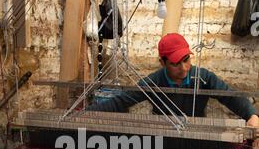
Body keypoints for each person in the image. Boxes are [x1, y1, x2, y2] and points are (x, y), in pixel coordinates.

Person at [87, 33, 259, 127]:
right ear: (163, 63)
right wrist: (85, 115)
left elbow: (230, 96)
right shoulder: (154, 82)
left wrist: (252, 115)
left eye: (186, 60)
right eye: (176, 64)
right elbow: (121, 101)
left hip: (196, 136)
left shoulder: (203, 77)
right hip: (162, 137)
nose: (184, 68)